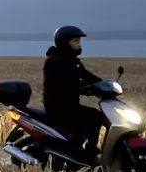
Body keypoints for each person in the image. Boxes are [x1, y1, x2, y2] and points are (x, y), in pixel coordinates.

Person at [43, 26, 105, 159]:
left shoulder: (72, 60)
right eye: (75, 41)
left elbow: (86, 75)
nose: (79, 44)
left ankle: (85, 149)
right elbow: (63, 83)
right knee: (95, 117)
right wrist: (85, 88)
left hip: (70, 105)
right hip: (58, 107)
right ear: (65, 42)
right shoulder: (53, 62)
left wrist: (104, 85)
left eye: (79, 41)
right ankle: (84, 151)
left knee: (96, 116)